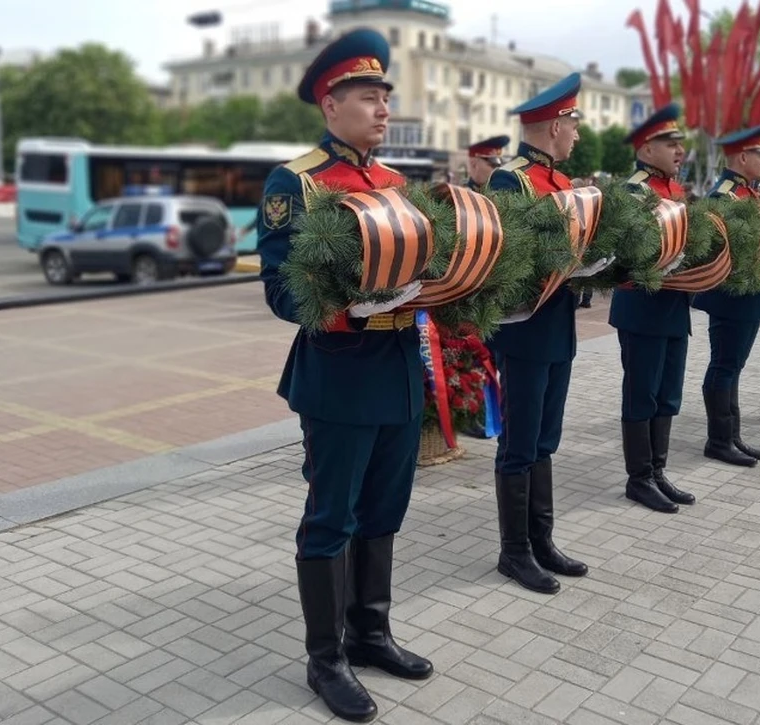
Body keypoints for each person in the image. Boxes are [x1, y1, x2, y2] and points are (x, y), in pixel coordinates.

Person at [257, 27, 432, 723]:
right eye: (369, 96)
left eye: (387, 96)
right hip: (338, 371)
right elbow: (280, 290)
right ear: (330, 105)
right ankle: (324, 657)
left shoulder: (394, 183)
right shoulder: (294, 182)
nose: (384, 108)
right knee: (332, 518)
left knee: (385, 512)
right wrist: (355, 306)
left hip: (397, 370)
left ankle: (370, 632)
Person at [486, 72, 591, 594]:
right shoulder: (512, 181)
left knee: (545, 438)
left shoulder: (565, 184)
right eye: (574, 123)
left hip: (558, 329)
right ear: (554, 125)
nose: (577, 133)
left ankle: (542, 540)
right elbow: (509, 258)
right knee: (520, 441)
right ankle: (515, 552)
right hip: (525, 332)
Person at [609, 102, 696, 514]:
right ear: (646, 149)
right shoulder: (634, 192)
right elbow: (630, 254)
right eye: (669, 143)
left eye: (679, 143)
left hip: (674, 307)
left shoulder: (674, 190)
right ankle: (638, 478)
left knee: (668, 394)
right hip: (642, 309)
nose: (679, 150)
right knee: (641, 393)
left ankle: (658, 471)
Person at [692, 123, 760, 467]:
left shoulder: (746, 193)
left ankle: (732, 435)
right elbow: (716, 250)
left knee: (733, 366)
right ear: (743, 156)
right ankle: (719, 440)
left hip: (748, 295)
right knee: (725, 365)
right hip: (732, 297)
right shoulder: (723, 196)